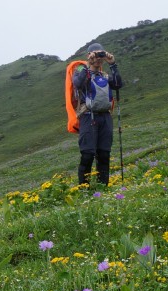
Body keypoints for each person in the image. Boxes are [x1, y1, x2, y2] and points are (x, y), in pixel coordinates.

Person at [72, 43, 123, 187]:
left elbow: (118, 84)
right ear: (88, 55)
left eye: (100, 54)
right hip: (88, 116)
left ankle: (103, 187)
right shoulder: (81, 69)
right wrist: (88, 64)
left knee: (104, 154)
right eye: (94, 54)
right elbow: (78, 83)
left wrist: (112, 64)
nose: (98, 58)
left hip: (105, 116)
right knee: (87, 154)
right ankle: (84, 188)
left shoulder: (105, 75)